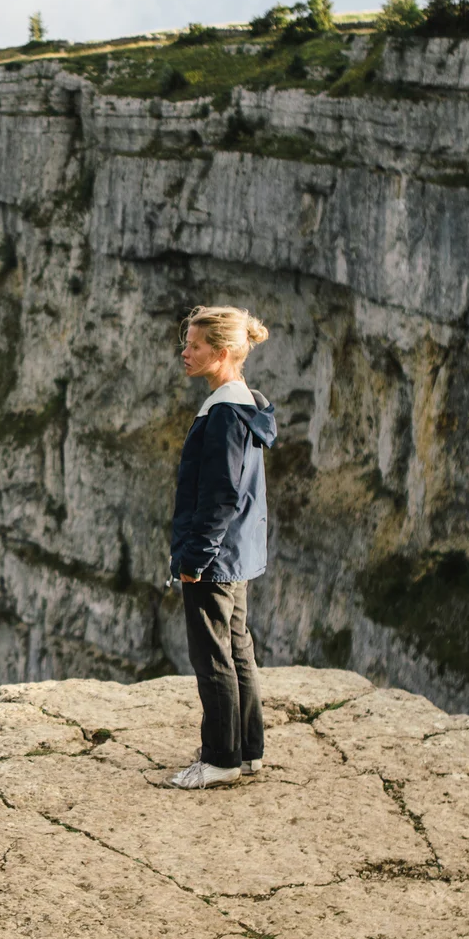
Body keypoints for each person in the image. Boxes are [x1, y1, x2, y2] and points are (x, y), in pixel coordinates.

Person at [166, 304, 277, 789]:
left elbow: (220, 495)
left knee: (212, 656)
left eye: (194, 346)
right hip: (239, 553)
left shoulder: (224, 414)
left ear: (224, 352)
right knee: (237, 648)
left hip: (214, 556)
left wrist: (194, 558)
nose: (184, 353)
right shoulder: (246, 406)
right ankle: (247, 750)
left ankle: (220, 759)